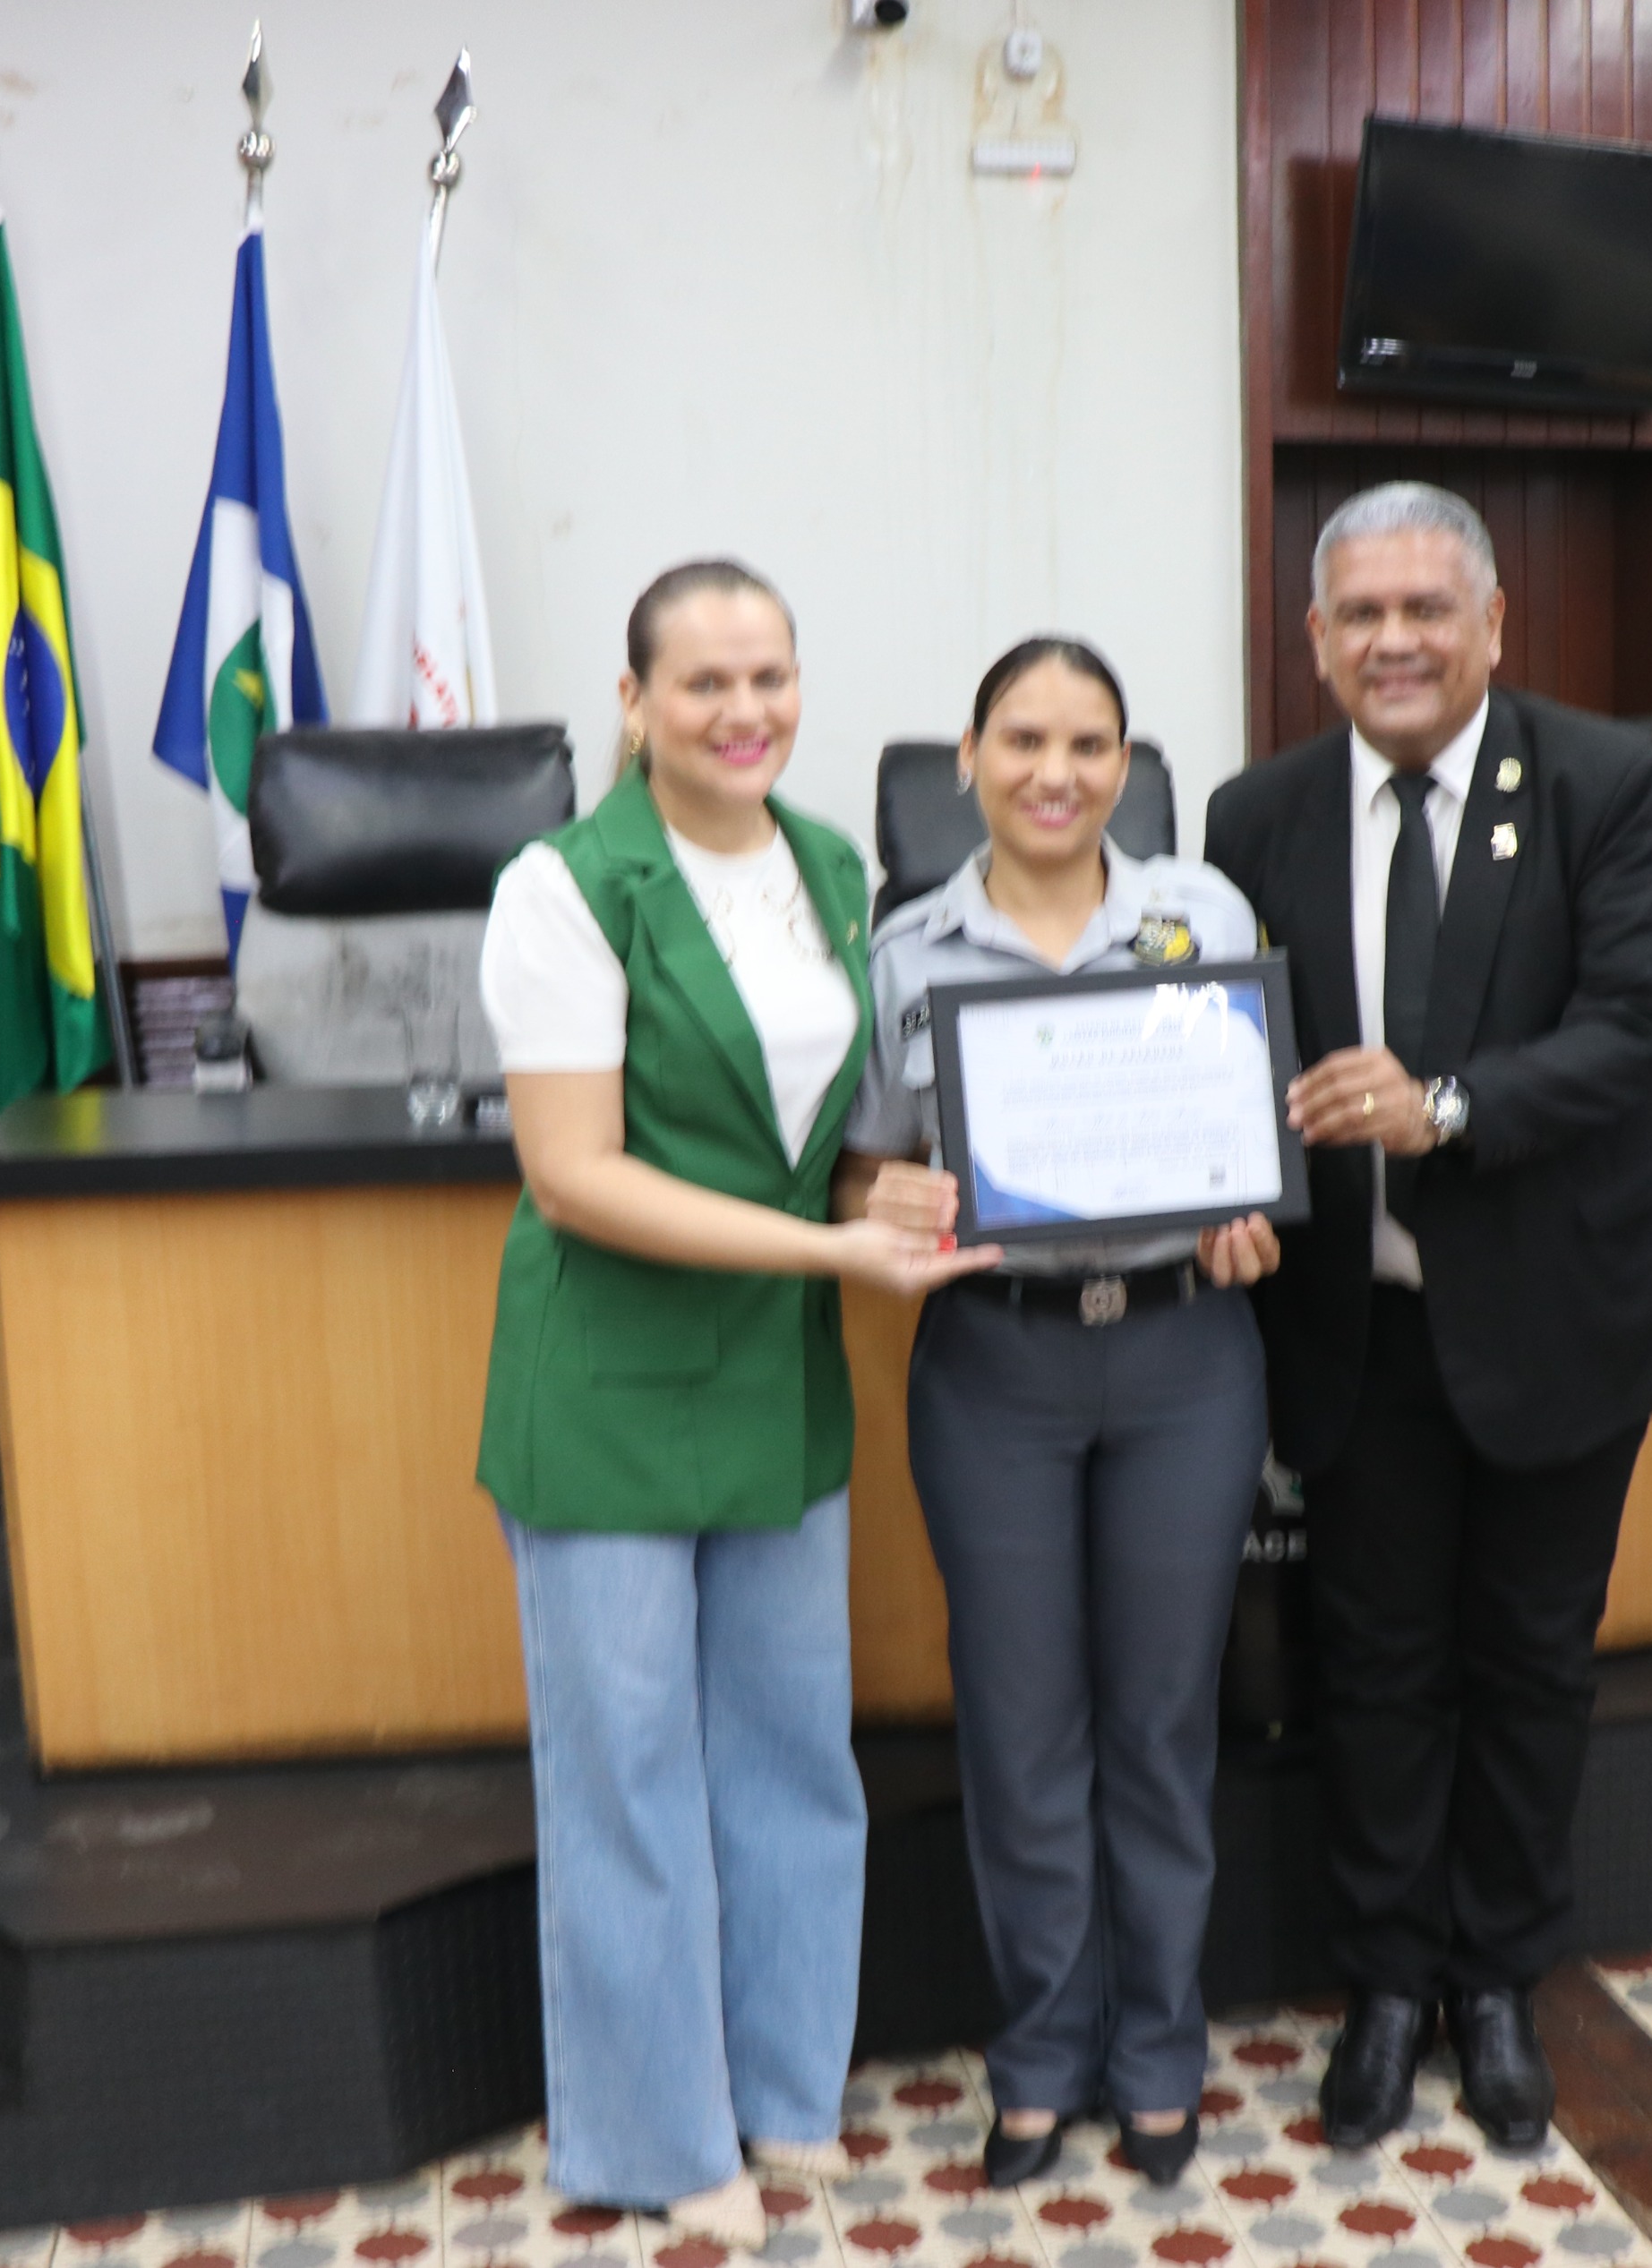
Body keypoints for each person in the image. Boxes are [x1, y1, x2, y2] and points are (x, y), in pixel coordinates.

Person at [474, 560, 998, 2245]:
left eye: (769, 674)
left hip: (773, 1368)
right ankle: (647, 2131)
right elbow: (573, 1176)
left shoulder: (830, 864)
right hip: (611, 1382)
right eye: (702, 683)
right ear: (631, 702)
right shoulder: (565, 886)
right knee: (627, 1770)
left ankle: (780, 2090)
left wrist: (886, 1197)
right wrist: (833, 1243)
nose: (744, 709)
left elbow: (827, 1131)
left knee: (788, 1754)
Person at [1203, 482, 1652, 2152]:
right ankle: (1380, 1985)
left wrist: (1441, 1105)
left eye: (1428, 609)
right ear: (1316, 641)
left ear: (1492, 624)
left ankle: (1495, 1979)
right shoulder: (1252, 813)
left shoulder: (1602, 780)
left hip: (1561, 1322)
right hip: (1361, 1333)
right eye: (1361, 614)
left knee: (1528, 1664)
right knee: (1375, 1666)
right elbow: (1228, 1055)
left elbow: (1639, 1027)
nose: (1396, 640)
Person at [839, 636, 1280, 2190]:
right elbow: (854, 1164)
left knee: (1161, 1726)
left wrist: (1245, 1214)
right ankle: (1039, 2051)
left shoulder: (1200, 915)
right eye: (1022, 740)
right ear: (963, 759)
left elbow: (1247, 1125)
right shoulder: (903, 950)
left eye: (1089, 743)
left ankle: (1159, 2048)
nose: (1055, 771)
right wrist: (880, 1193)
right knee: (1023, 1731)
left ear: (1126, 763)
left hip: (1184, 1356)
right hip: (995, 1366)